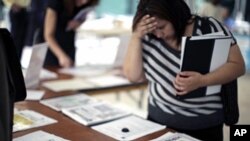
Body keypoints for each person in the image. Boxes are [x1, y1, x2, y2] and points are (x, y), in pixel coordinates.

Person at [123, 0, 245, 140]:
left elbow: (238, 65)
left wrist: (202, 81)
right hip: (157, 124)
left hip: (205, 128)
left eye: (162, 27)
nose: (158, 34)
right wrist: (135, 36)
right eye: (153, 29)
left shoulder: (210, 27)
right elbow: (133, 76)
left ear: (175, 15)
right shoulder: (146, 33)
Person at [43, 0, 99, 68]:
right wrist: (61, 56)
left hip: (69, 47)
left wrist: (78, 23)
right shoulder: (56, 2)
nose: (84, 2)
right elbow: (48, 35)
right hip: (51, 49)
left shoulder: (86, 4)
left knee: (69, 74)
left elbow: (81, 17)